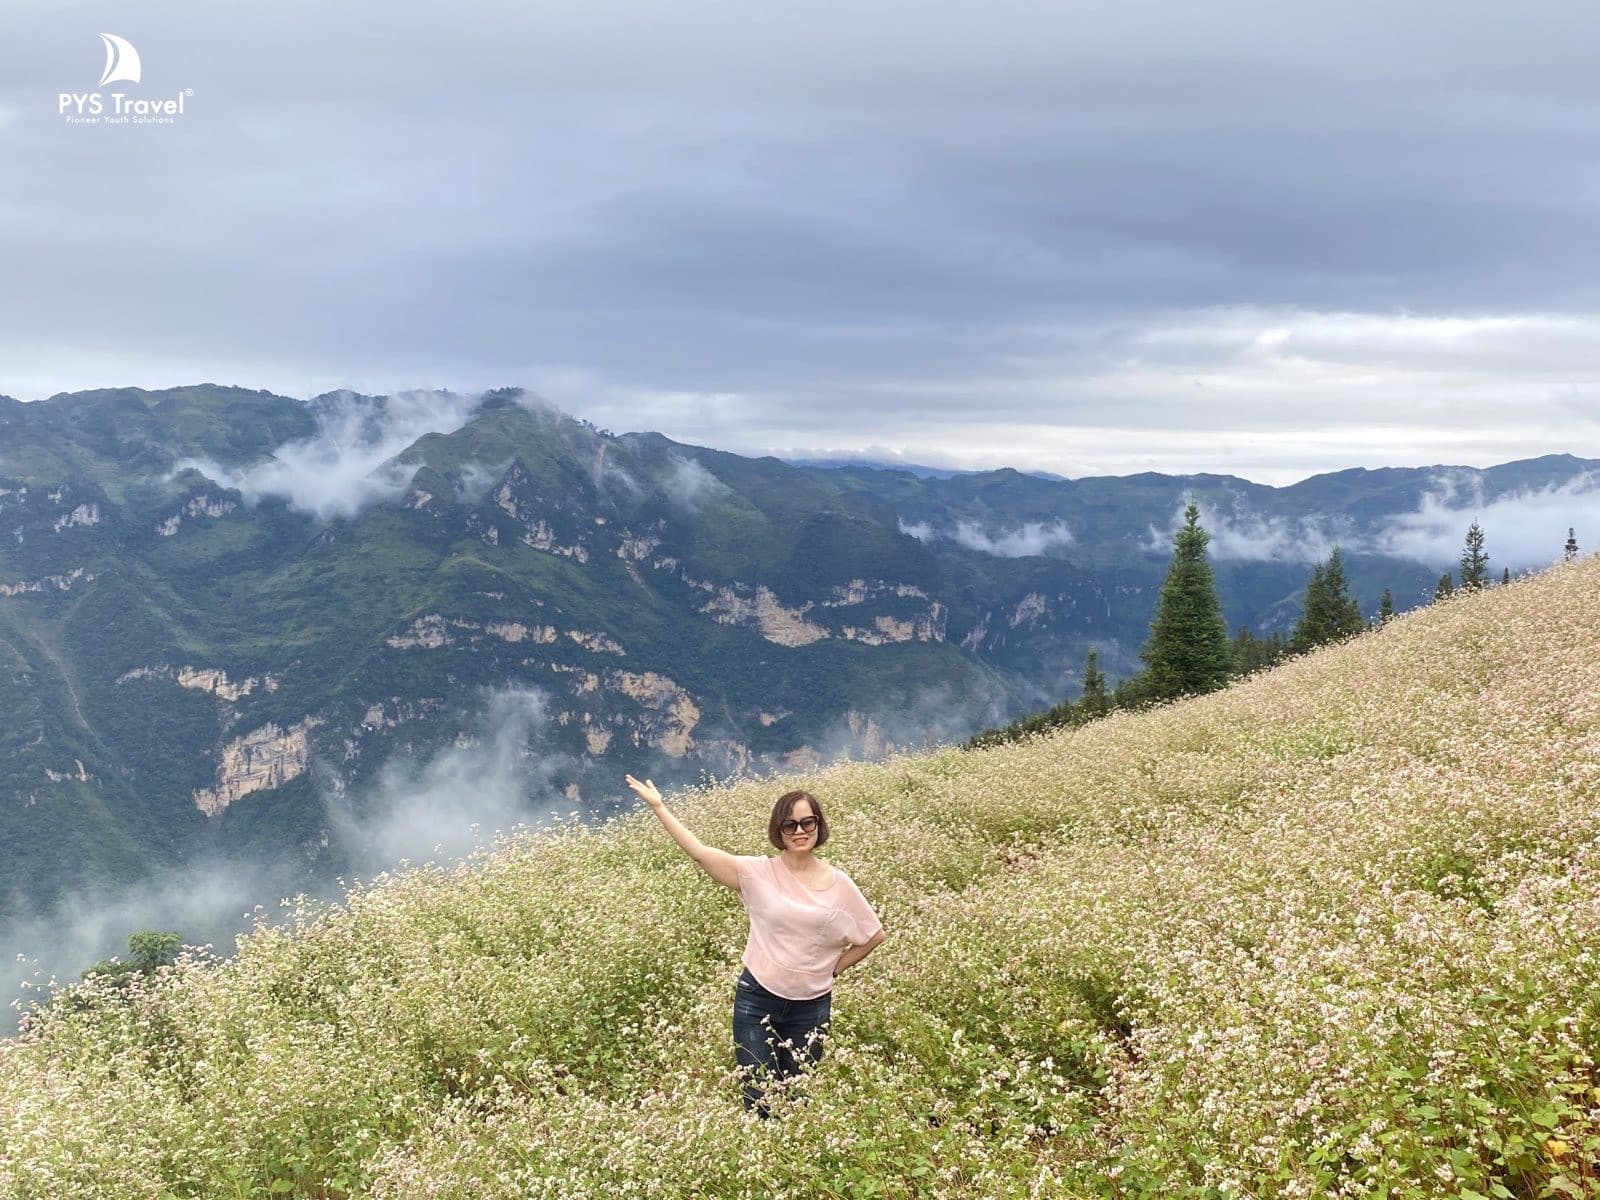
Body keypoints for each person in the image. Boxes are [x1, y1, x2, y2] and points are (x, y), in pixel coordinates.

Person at [624, 774, 886, 1118]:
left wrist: (833, 969)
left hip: (811, 1008)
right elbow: (700, 853)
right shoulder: (757, 873)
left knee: (798, 1099)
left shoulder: (840, 885)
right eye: (790, 825)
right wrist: (660, 807)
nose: (800, 831)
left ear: (819, 825)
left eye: (808, 822)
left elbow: (873, 935)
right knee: (759, 1097)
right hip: (757, 998)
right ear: (779, 830)